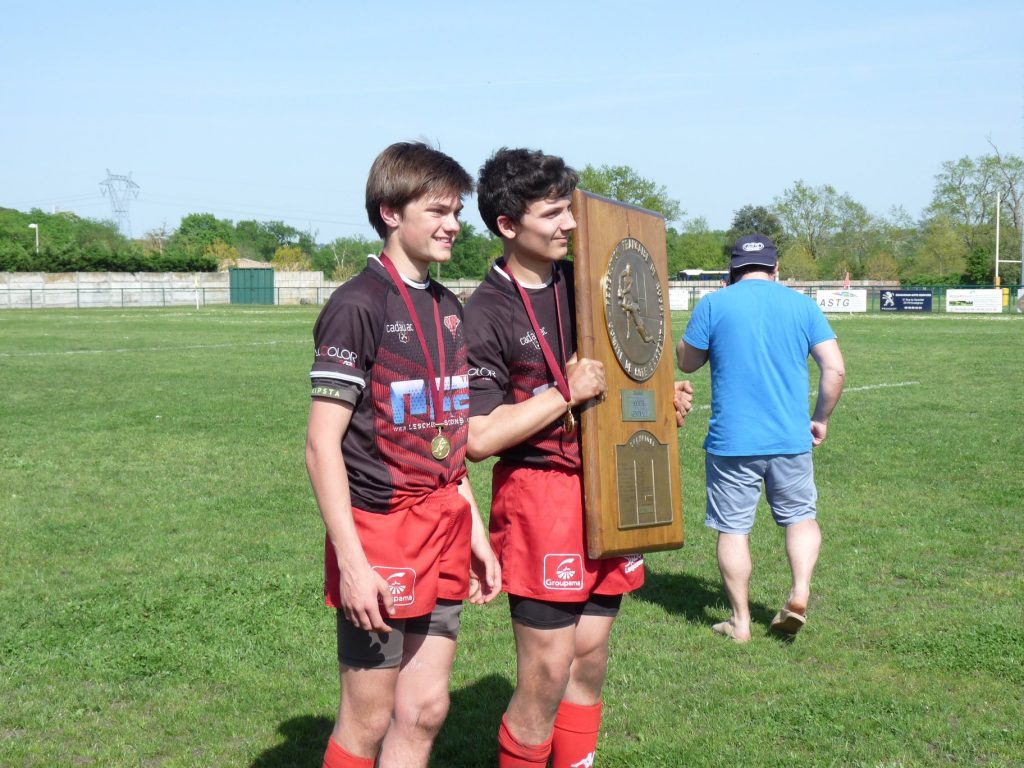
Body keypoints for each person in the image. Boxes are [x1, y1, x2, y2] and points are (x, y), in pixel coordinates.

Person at [464, 147, 693, 768]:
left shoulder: (593, 280)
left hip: (615, 480)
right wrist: (563, 391)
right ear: (508, 225)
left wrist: (655, 396)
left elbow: (621, 372)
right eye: (554, 213)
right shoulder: (483, 312)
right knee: (546, 674)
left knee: (589, 657)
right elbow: (479, 438)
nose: (570, 224)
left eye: (571, 210)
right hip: (543, 496)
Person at [305, 141, 500, 768]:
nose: (452, 225)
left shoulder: (447, 307)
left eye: (457, 211)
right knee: (368, 718)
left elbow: (447, 433)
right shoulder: (357, 305)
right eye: (437, 211)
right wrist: (354, 565)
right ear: (391, 211)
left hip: (444, 520)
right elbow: (319, 446)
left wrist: (474, 532)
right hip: (382, 531)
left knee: (425, 711)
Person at [676, 234, 845, 643]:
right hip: (790, 438)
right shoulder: (802, 305)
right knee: (800, 518)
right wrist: (819, 417)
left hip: (733, 440)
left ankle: (740, 622)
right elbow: (834, 369)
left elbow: (687, 361)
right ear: (776, 269)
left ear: (732, 270)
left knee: (734, 530)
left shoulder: (715, 303)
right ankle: (799, 592)